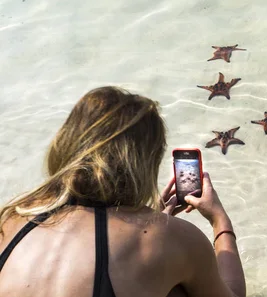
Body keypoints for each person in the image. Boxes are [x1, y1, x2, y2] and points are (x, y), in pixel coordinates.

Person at [0, 86, 246, 297]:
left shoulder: (10, 219)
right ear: (146, 161)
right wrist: (219, 220)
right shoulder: (169, 238)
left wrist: (145, 218)